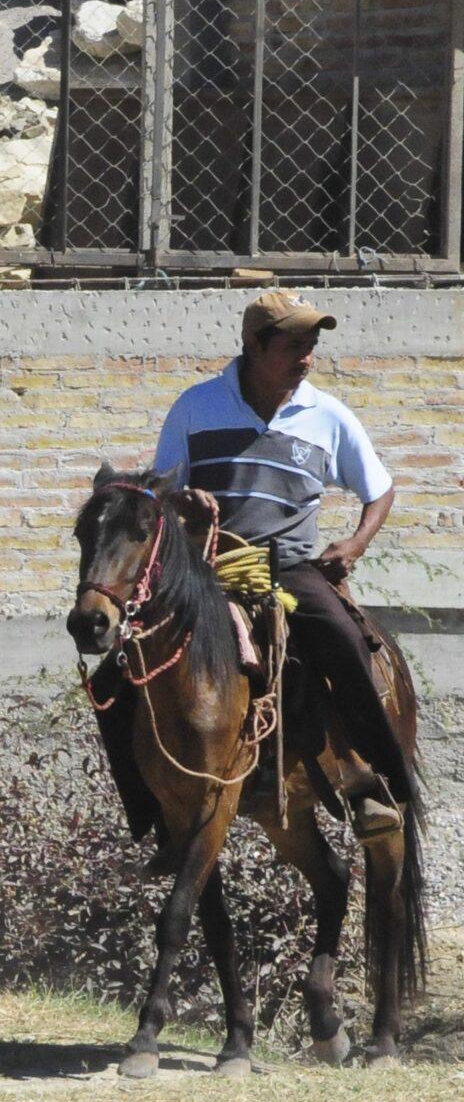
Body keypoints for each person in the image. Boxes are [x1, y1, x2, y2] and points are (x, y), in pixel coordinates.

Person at [148, 290, 408, 827]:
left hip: (288, 567)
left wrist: (354, 544)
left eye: (311, 346)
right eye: (293, 345)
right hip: (206, 571)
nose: (306, 358)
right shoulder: (196, 406)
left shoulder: (328, 415)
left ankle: (376, 779)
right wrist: (182, 500)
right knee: (125, 658)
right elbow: (161, 490)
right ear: (253, 345)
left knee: (344, 639)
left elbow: (378, 490)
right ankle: (152, 805)